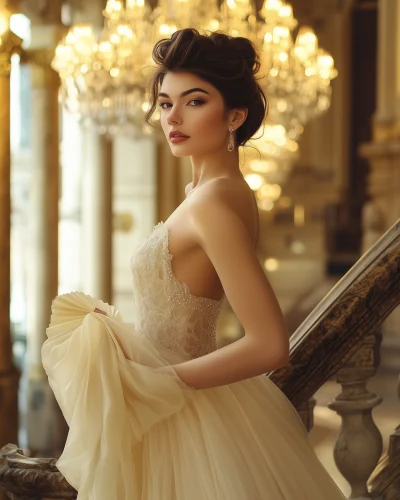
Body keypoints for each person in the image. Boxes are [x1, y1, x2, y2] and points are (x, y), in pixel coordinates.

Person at [42, 28, 346, 500]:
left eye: (195, 101)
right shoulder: (213, 195)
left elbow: (269, 344)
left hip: (185, 417)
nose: (173, 117)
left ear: (235, 115)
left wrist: (155, 383)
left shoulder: (211, 205)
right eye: (165, 103)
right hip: (187, 406)